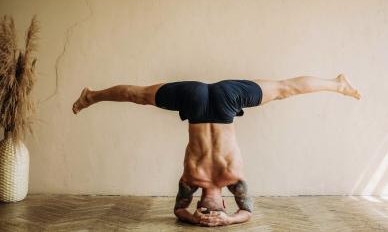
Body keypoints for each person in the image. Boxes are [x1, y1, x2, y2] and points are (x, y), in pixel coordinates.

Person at [72, 74, 360, 227]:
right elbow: (179, 210)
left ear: (223, 201)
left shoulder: (233, 181)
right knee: (140, 95)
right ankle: (92, 96)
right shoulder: (191, 180)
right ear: (214, 203)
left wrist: (228, 219)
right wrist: (201, 218)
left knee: (284, 89)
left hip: (225, 102)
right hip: (196, 102)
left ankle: (337, 84)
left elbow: (245, 211)